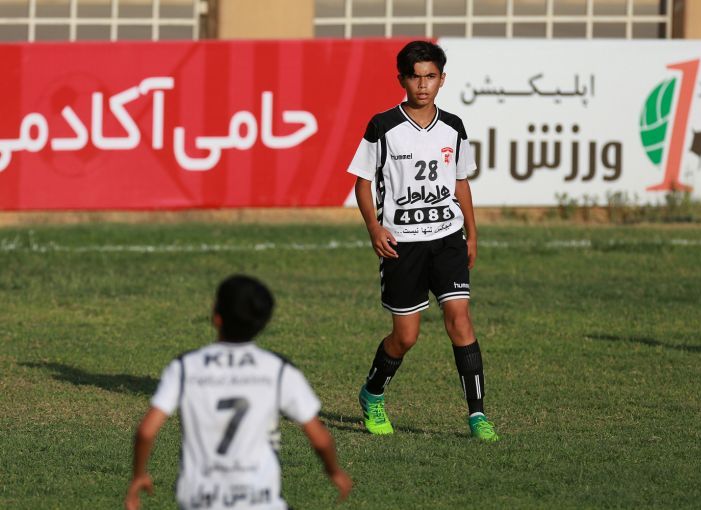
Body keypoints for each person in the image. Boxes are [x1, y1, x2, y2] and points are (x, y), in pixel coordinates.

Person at [347, 40, 499, 442]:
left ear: (442, 79)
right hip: (402, 244)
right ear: (401, 79)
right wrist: (374, 228)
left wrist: (472, 233)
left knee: (460, 320)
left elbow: (460, 181)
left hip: (448, 238)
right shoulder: (383, 126)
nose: (422, 85)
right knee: (406, 337)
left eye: (430, 76)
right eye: (415, 77)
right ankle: (373, 394)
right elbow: (362, 183)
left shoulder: (454, 126)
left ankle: (478, 415)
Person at [125, 275, 352, 510]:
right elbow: (320, 439)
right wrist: (333, 471)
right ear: (264, 322)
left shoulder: (185, 367)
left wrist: (139, 475)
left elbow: (146, 431)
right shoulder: (277, 370)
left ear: (217, 317)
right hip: (260, 502)